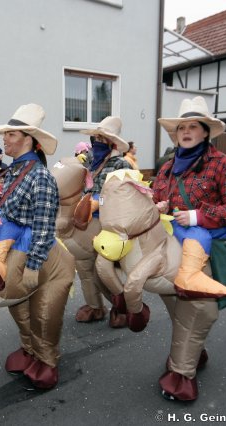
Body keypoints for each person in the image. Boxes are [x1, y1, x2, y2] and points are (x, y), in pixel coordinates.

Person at [153, 96, 226, 401]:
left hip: (205, 247)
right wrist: (158, 204)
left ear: (206, 132)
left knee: (198, 308)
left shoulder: (223, 164)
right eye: (182, 127)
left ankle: (182, 373)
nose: (186, 131)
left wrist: (198, 216)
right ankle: (192, 351)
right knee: (177, 305)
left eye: (193, 126)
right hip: (171, 244)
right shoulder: (167, 167)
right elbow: (155, 196)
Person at [0, 103, 73, 389]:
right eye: (5, 134)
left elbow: (44, 225)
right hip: (19, 250)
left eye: (11, 134)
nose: (4, 139)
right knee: (18, 307)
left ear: (28, 140)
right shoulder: (13, 171)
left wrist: (33, 266)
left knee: (43, 315)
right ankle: (29, 350)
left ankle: (47, 361)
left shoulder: (40, 176)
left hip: (43, 259)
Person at [72, 116, 131, 324]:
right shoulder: (90, 163)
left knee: (103, 269)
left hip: (109, 225)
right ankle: (95, 306)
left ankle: (123, 307)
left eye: (102, 138)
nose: (98, 141)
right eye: (96, 137)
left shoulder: (121, 164)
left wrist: (98, 201)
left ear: (112, 142)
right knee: (82, 264)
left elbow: (126, 197)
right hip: (87, 223)